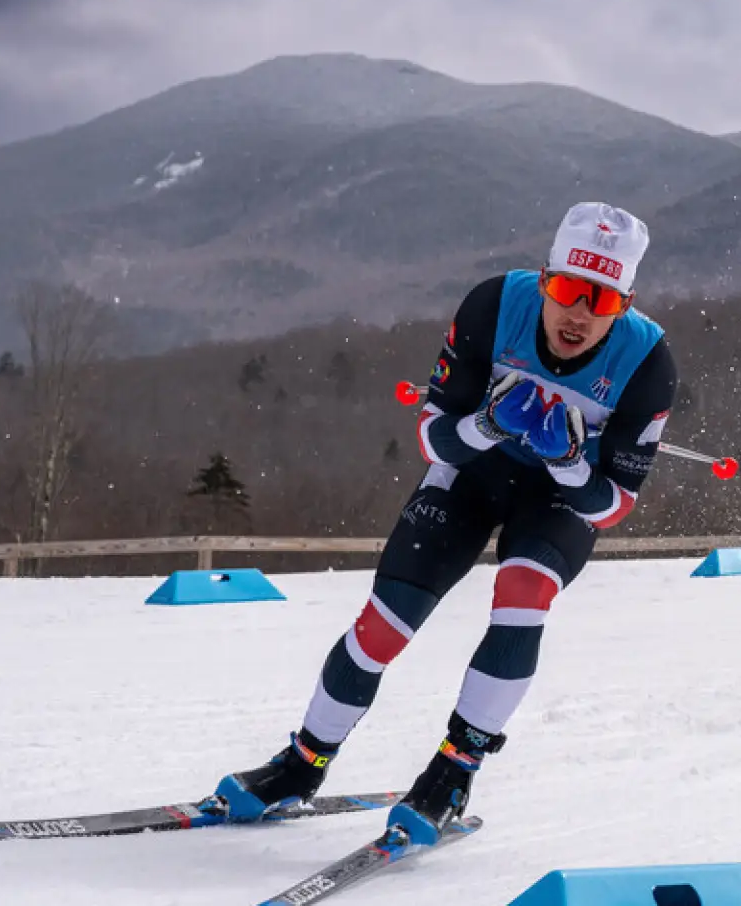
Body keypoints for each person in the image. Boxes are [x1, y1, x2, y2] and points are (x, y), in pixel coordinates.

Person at [206, 201, 678, 846]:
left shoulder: (648, 362)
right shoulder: (492, 306)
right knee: (383, 625)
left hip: (559, 499)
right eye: (568, 290)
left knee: (523, 597)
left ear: (625, 305)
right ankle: (301, 763)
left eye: (603, 303)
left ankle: (455, 769)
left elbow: (614, 504)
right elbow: (434, 438)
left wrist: (569, 463)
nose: (579, 315)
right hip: (472, 475)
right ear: (545, 279)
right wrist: (487, 425)